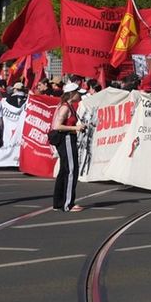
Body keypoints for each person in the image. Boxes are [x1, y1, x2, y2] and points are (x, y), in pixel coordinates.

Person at [51, 82, 85, 212]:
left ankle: (58, 202)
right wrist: (75, 128)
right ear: (72, 94)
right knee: (71, 170)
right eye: (78, 93)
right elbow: (57, 126)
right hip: (66, 139)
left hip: (68, 138)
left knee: (64, 171)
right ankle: (68, 204)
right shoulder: (65, 108)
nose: (80, 95)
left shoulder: (69, 106)